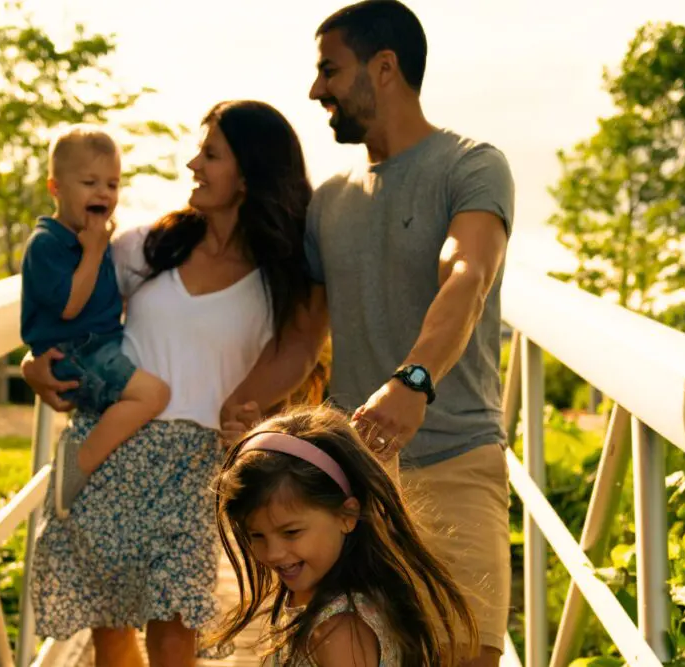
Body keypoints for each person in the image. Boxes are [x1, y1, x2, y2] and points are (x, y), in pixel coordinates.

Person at [221, 2, 516, 665]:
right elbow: (301, 339)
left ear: (385, 69)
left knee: (467, 656)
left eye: (330, 68)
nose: (315, 88)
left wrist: (414, 379)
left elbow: (468, 273)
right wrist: (246, 404)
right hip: (351, 485)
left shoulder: (471, 166)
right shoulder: (329, 199)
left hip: (459, 460)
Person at [21, 100, 315, 667]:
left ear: (249, 174)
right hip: (108, 452)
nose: (192, 165)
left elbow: (302, 348)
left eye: (210, 154)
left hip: (194, 464)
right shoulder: (149, 246)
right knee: (110, 628)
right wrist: (35, 366)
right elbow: (66, 309)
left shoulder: (281, 273)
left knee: (176, 627)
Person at [212, 405, 476, 667]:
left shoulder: (339, 631)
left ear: (347, 515)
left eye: (291, 532)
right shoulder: (332, 604)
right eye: (256, 535)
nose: (273, 552)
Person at [20, 126, 171, 518]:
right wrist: (92, 252)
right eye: (89, 182)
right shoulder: (48, 243)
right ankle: (79, 462)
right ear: (55, 188)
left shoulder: (94, 237)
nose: (103, 193)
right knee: (153, 395)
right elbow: (69, 307)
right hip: (76, 351)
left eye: (112, 183)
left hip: (96, 346)